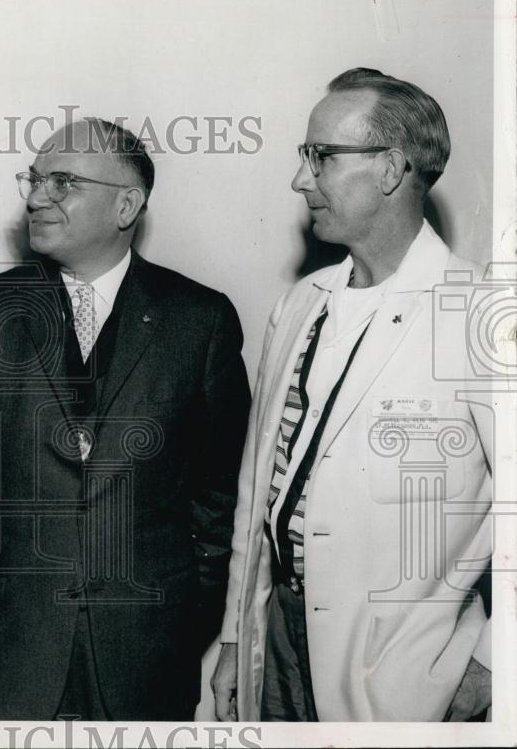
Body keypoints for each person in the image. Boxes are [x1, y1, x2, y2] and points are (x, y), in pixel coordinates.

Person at [0, 119, 251, 720]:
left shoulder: (201, 320)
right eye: (35, 178)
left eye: (62, 181)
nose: (36, 196)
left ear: (127, 204)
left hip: (149, 655)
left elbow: (221, 492)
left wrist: (183, 613)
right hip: (14, 650)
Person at [211, 68, 494, 721]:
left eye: (322, 157)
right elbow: (257, 492)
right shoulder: (300, 303)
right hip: (278, 638)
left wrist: (491, 666)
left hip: (399, 671)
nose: (300, 179)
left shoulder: (479, 313)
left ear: (391, 169)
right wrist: (235, 637)